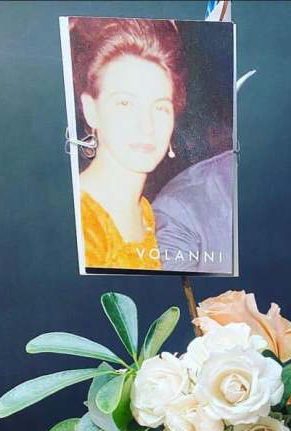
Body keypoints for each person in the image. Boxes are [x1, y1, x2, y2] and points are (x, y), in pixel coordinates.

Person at [70, 17, 186, 270]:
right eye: (125, 103)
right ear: (90, 110)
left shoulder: (145, 212)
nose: (146, 126)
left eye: (160, 107)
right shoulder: (80, 215)